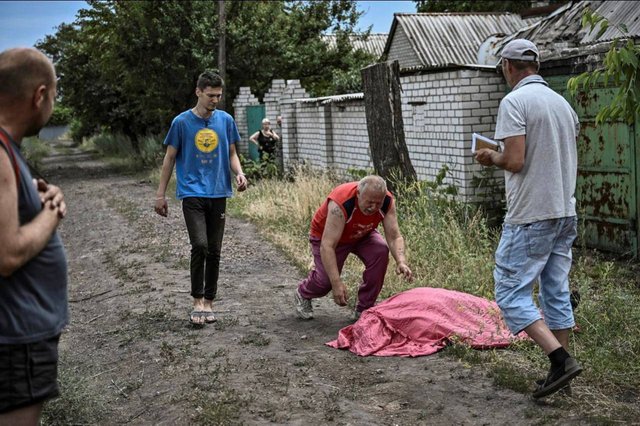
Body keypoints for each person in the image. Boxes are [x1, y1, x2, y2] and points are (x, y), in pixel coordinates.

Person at [475, 39, 582, 398]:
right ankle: (562, 381)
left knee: (509, 292)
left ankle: (560, 360)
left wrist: (492, 156)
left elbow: (516, 160)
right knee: (556, 291)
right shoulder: (562, 104)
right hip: (564, 212)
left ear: (507, 65)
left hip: (530, 216)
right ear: (534, 65)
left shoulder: (514, 101)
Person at [0, 47, 68, 425]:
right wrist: (52, 212)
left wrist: (39, 195)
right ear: (39, 95)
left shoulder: (9, 151)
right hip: (16, 341)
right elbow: (6, 255)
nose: (52, 106)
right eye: (54, 96)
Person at [154, 71, 247, 325]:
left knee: (215, 250)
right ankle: (196, 300)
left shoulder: (225, 121)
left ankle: (209, 301)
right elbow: (170, 158)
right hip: (192, 192)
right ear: (198, 92)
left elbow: (231, 153)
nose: (215, 100)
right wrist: (160, 194)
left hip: (219, 192)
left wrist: (239, 173)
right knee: (200, 245)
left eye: (218, 95)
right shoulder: (182, 123)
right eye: (210, 95)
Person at [294, 175, 413, 320]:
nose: (373, 208)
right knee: (325, 282)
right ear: (358, 193)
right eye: (369, 202)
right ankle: (303, 293)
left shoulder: (387, 201)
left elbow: (394, 236)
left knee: (380, 251)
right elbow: (328, 246)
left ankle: (364, 308)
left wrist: (401, 261)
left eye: (378, 203)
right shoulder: (342, 202)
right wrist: (336, 283)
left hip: (361, 232)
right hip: (328, 237)